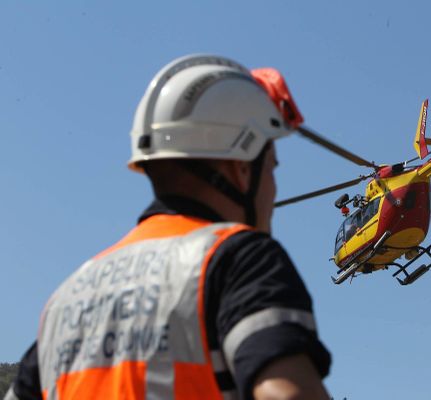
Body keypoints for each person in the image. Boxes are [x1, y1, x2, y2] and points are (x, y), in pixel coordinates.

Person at [5, 55, 331, 400]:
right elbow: (287, 393)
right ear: (242, 167)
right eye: (272, 168)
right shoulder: (237, 260)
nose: (274, 187)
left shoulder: (64, 302)